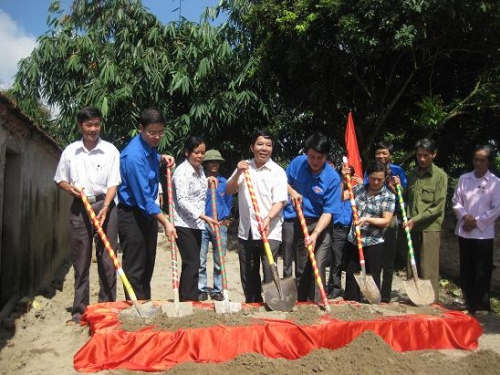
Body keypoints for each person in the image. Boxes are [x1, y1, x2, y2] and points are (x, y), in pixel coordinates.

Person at [54, 106, 121, 325]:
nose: (93, 129)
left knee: (108, 260)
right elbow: (60, 179)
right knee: (81, 261)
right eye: (89, 125)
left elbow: (113, 182)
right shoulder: (70, 151)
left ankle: (108, 307)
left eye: (97, 124)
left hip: (106, 205)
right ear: (80, 126)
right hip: (79, 206)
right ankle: (80, 311)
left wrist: (107, 206)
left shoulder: (110, 150)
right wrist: (69, 188)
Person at [118, 107, 176, 301]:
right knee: (135, 267)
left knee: (148, 263)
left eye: (161, 132)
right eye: (152, 132)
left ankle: (145, 303)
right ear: (140, 128)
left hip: (148, 214)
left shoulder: (150, 148)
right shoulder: (133, 157)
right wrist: (166, 221)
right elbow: (143, 199)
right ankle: (135, 309)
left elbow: (151, 159)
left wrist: (161, 158)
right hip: (133, 214)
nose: (157, 137)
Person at [226, 129, 288, 303]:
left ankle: (271, 303)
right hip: (247, 229)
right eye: (260, 144)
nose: (264, 148)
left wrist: (268, 218)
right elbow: (229, 190)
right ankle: (252, 302)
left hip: (270, 230)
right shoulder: (244, 167)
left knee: (269, 269)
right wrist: (238, 172)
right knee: (248, 271)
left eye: (268, 145)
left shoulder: (277, 172)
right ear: (252, 147)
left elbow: (280, 201)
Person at [286, 133, 342, 302]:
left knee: (318, 263)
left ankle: (318, 304)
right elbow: (282, 181)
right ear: (306, 154)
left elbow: (328, 212)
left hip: (321, 226)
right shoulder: (298, 163)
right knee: (302, 267)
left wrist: (315, 234)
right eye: (311, 157)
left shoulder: (332, 178)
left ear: (326, 157)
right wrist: (292, 192)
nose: (315, 161)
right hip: (300, 222)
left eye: (319, 157)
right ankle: (302, 304)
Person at [452, 144, 500, 315]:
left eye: (482, 160)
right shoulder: (464, 179)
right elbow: (456, 201)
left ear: (488, 162)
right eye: (476, 159)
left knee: (482, 269)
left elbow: (496, 208)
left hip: (483, 233)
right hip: (465, 230)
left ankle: (482, 305)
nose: (478, 163)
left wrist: (477, 221)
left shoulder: (495, 183)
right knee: (466, 268)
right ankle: (469, 303)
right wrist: (465, 217)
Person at [173, 137, 219, 301]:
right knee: (191, 262)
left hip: (196, 224)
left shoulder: (200, 170)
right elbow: (183, 200)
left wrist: (208, 180)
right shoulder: (182, 171)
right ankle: (187, 299)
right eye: (196, 152)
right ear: (187, 152)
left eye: (202, 153)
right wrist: (204, 217)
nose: (200, 156)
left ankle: (190, 297)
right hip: (183, 223)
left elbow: (197, 190)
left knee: (195, 262)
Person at [343, 161, 396, 302]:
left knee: (373, 275)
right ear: (368, 177)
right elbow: (340, 197)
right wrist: (343, 181)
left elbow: (386, 221)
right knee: (351, 275)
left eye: (379, 179)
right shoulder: (358, 189)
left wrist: (367, 219)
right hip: (354, 240)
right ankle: (351, 300)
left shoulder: (388, 196)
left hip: (374, 242)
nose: (376, 182)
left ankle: (371, 301)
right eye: (373, 178)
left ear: (385, 178)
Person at [403, 138, 448, 302]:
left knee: (428, 267)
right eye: (419, 155)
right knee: (412, 265)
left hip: (430, 227)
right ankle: (414, 299)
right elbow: (406, 197)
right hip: (412, 226)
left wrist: (416, 219)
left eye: (425, 155)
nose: (421, 159)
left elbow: (437, 206)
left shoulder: (440, 176)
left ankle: (431, 303)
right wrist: (396, 189)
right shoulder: (412, 174)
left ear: (434, 155)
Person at [365, 141, 408, 303]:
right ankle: (372, 292)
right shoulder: (370, 170)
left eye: (384, 153)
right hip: (372, 217)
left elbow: (403, 196)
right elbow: (366, 188)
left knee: (389, 258)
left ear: (390, 154)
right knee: (373, 256)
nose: (381, 156)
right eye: (378, 153)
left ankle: (385, 294)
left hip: (391, 218)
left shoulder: (398, 172)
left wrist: (393, 188)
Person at [197, 149, 233, 302]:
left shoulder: (225, 183)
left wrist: (224, 221)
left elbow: (228, 203)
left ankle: (218, 290)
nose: (214, 164)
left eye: (217, 161)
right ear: (206, 164)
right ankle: (201, 289)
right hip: (202, 224)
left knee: (220, 260)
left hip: (220, 225)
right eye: (211, 161)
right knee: (201, 260)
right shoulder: (199, 181)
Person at [327, 165, 354, 299]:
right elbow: (337, 197)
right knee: (336, 261)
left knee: (350, 261)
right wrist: (341, 180)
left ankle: (351, 290)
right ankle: (334, 287)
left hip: (352, 230)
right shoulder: (336, 189)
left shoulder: (356, 191)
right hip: (338, 230)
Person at [280, 202, 296, 278]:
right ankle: (287, 279)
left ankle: (301, 283)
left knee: (302, 255)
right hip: (288, 220)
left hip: (304, 219)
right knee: (287, 253)